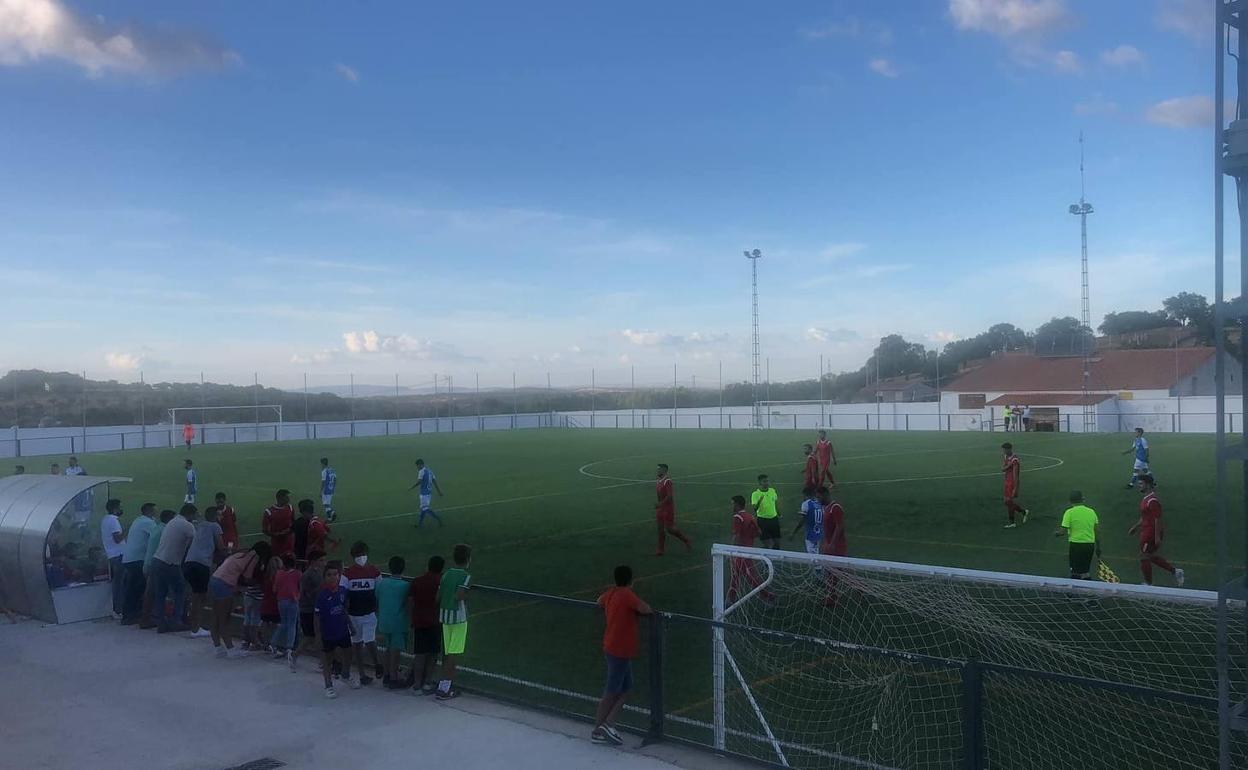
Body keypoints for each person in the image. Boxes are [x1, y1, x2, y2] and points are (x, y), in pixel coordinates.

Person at [591, 564, 653, 746]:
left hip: (614, 648)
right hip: (620, 650)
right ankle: (598, 729)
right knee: (611, 692)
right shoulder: (627, 595)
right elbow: (645, 608)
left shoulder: (611, 593)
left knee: (626, 690)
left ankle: (608, 724)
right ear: (630, 581)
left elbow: (598, 601)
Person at [209, 542, 273, 658]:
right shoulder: (254, 557)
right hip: (225, 583)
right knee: (224, 618)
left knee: (216, 616)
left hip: (215, 579)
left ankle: (218, 646)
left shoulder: (242, 553)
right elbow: (248, 577)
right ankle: (230, 649)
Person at [1128, 474, 1185, 587]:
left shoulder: (1152, 501)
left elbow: (1157, 519)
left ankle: (1149, 584)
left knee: (1144, 556)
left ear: (1148, 485)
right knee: (1148, 556)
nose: (1139, 486)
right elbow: (1145, 516)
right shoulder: (1146, 499)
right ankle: (1176, 572)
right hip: (1146, 531)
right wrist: (1136, 527)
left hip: (1150, 533)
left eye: (1141, 484)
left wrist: (1157, 536)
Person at [151, 503, 196, 634]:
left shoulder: (172, 522)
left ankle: (161, 622)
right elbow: (194, 542)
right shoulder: (188, 525)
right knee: (180, 590)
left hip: (158, 560)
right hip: (170, 563)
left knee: (161, 593)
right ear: (190, 514)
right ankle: (177, 620)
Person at [435, 543, 472, 700]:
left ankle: (442, 683)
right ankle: (445, 688)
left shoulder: (446, 574)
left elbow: (438, 597)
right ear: (468, 559)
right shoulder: (466, 576)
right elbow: (459, 596)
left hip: (444, 615)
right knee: (453, 653)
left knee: (447, 651)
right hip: (458, 618)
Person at [343, 540, 382, 687]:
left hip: (369, 613)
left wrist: (377, 609)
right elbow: (344, 596)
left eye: (364, 554)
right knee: (357, 645)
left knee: (369, 640)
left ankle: (377, 663)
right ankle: (362, 674)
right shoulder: (347, 574)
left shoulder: (374, 571)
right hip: (354, 615)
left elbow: (379, 591)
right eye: (359, 555)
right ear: (354, 556)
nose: (362, 557)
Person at [183, 506, 224, 638]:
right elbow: (220, 546)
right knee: (200, 597)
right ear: (214, 516)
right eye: (219, 515)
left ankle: (193, 624)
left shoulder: (200, 525)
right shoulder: (215, 526)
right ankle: (195, 629)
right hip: (202, 564)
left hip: (189, 562)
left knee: (195, 594)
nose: (220, 517)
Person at [407, 555, 444, 695]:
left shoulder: (417, 581)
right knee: (433, 653)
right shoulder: (441, 582)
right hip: (435, 622)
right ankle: (427, 682)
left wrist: (411, 618)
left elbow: (410, 601)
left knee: (420, 653)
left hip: (419, 621)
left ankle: (417, 684)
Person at [315, 560, 353, 699]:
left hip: (342, 630)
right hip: (328, 633)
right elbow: (317, 618)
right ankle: (328, 685)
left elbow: (343, 609)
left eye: (335, 574)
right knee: (327, 659)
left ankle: (346, 675)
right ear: (325, 577)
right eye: (329, 575)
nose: (333, 577)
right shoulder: (322, 596)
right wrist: (318, 636)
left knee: (349, 653)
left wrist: (351, 625)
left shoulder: (343, 591)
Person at [120, 503, 158, 624]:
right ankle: (132, 615)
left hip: (130, 559)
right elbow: (158, 535)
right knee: (137, 588)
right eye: (154, 509)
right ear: (149, 511)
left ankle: (130, 614)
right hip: (137, 559)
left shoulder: (138, 520)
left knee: (133, 588)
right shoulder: (148, 522)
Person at [377, 556, 411, 688]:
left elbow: (378, 598)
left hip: (384, 620)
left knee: (387, 647)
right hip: (397, 622)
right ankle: (393, 677)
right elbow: (407, 604)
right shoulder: (405, 585)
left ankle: (387, 674)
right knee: (395, 650)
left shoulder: (382, 583)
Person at [728, 495, 770, 604]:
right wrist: (749, 536)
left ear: (737, 504)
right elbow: (758, 533)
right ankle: (730, 600)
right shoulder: (750, 516)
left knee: (750, 577)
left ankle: (769, 597)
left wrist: (730, 550)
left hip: (741, 552)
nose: (731, 506)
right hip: (748, 549)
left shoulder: (738, 517)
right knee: (735, 576)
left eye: (732, 503)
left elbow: (736, 536)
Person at [138, 509, 175, 630]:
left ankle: (147, 618)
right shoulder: (165, 530)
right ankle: (156, 620)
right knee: (157, 592)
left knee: (151, 592)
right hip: (156, 563)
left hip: (148, 562)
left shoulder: (157, 528)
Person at [1054, 491, 1100, 580]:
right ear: (1083, 499)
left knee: (1075, 571)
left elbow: (1062, 531)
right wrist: (1098, 547)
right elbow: (1097, 531)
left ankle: (1073, 592)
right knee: (1085, 570)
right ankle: (1088, 590)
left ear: (1070, 501)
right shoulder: (1091, 512)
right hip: (1089, 545)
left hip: (1076, 545)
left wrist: (1057, 533)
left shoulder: (1069, 512)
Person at [653, 463, 691, 556]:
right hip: (661, 508)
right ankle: (660, 549)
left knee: (670, 529)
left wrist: (660, 504)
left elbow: (670, 496)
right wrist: (658, 506)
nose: (658, 471)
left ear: (664, 470)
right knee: (660, 529)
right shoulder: (658, 482)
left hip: (668, 509)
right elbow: (659, 496)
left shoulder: (667, 481)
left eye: (659, 469)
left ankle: (686, 540)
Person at [272, 553, 302, 670]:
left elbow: (275, 588)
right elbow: (301, 587)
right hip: (293, 601)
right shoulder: (298, 574)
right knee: (292, 625)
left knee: (283, 623)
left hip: (281, 601)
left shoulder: (279, 573)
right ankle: (289, 647)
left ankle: (273, 643)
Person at [298, 549, 327, 661]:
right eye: (321, 560)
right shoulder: (307, 575)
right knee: (311, 637)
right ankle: (296, 654)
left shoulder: (319, 573)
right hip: (308, 609)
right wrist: (321, 587)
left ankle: (322, 660)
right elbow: (307, 594)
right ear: (314, 561)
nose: (324, 562)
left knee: (318, 636)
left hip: (317, 608)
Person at [100, 498, 125, 618]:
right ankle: (118, 609)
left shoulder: (105, 519)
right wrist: (127, 530)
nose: (121, 509)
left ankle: (117, 608)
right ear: (115, 509)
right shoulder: (114, 521)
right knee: (120, 583)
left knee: (117, 582)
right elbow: (117, 538)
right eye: (120, 507)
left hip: (112, 554)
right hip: (118, 554)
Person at [1001, 443, 1029, 529]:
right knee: (1006, 502)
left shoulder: (1015, 460)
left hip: (1012, 483)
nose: (1004, 451)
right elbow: (1002, 468)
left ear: (1009, 449)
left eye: (1005, 450)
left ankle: (1012, 522)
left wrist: (1015, 488)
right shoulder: (1006, 457)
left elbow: (1016, 475)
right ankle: (1023, 512)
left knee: (1009, 502)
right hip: (1007, 482)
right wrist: (1008, 466)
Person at [410, 459, 444, 527]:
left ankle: (438, 518)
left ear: (420, 464)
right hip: (429, 494)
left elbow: (419, 481)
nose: (417, 467)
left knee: (425, 509)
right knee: (423, 509)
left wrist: (411, 487)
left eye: (417, 466)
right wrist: (439, 491)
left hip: (424, 494)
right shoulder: (430, 471)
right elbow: (434, 481)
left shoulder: (421, 471)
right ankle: (420, 524)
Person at [790, 486, 822, 554]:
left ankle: (818, 565)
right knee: (816, 551)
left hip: (810, 533)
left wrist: (793, 532)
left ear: (806, 495)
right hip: (819, 532)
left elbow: (802, 520)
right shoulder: (819, 503)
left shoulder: (806, 504)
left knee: (812, 556)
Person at [751, 474, 780, 549]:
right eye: (764, 481)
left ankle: (775, 558)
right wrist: (759, 501)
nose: (767, 483)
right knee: (767, 544)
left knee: (777, 543)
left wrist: (778, 513)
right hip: (763, 520)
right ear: (760, 483)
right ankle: (765, 558)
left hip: (774, 519)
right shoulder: (755, 494)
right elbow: (754, 509)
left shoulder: (772, 490)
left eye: (767, 481)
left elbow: (775, 502)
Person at [262, 489, 295, 556]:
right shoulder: (269, 512)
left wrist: (289, 531)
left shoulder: (290, 508)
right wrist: (277, 535)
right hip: (277, 544)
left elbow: (294, 523)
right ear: (280, 498)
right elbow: (265, 530)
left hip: (289, 543)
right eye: (287, 497)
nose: (289, 499)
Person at [63, 456, 89, 537]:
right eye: (69, 461)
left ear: (75, 462)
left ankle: (78, 527)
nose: (70, 463)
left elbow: (86, 476)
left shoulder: (80, 469)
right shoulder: (67, 470)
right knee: (68, 509)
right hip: (71, 490)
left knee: (79, 513)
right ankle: (73, 521)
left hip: (79, 490)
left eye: (72, 461)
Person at [320, 457, 338, 522]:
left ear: (322, 463)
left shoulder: (324, 471)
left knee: (326, 504)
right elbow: (335, 479)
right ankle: (330, 516)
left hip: (326, 490)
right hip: (331, 489)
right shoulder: (332, 470)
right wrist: (333, 487)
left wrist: (321, 491)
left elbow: (323, 482)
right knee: (327, 504)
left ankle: (332, 513)